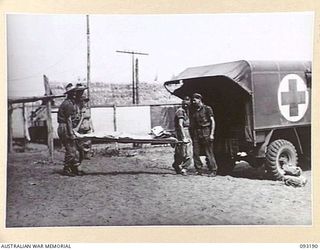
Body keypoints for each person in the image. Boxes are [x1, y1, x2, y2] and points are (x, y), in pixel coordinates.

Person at [190, 93, 218, 177]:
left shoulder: (207, 109)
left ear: (199, 99)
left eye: (195, 100)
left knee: (208, 152)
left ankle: (213, 170)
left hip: (206, 131)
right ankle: (199, 169)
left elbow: (212, 121)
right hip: (196, 132)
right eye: (193, 100)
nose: (193, 102)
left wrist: (212, 134)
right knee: (195, 152)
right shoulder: (194, 110)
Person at [57, 83, 82, 176]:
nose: (75, 94)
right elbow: (68, 119)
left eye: (75, 92)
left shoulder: (69, 103)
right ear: (69, 94)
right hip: (65, 127)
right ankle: (66, 169)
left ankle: (73, 168)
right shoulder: (68, 104)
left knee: (72, 148)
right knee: (71, 149)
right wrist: (71, 132)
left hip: (65, 126)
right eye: (73, 92)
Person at [172, 96, 192, 175]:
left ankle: (178, 165)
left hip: (186, 131)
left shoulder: (186, 111)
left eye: (188, 103)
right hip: (182, 132)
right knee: (186, 152)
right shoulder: (180, 111)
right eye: (185, 103)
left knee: (182, 152)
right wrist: (184, 137)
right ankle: (183, 168)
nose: (186, 105)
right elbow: (180, 125)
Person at [74, 89, 94, 162]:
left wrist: (92, 127)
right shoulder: (79, 110)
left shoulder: (88, 109)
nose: (85, 103)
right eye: (84, 101)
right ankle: (82, 155)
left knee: (88, 142)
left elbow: (90, 119)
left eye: (86, 101)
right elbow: (79, 119)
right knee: (81, 142)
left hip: (87, 127)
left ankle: (87, 154)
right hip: (82, 127)